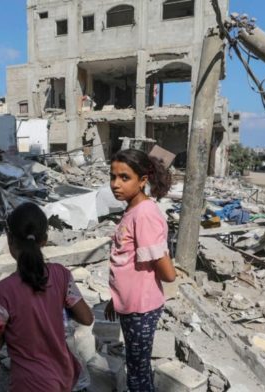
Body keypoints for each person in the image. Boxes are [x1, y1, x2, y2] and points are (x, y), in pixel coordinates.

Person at [0, 203, 94, 391]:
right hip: (63, 377)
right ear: (45, 240)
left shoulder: (2, 292)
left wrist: (7, 333)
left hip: (29, 384)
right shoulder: (61, 275)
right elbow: (87, 318)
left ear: (10, 240)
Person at [104, 149, 177, 392]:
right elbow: (127, 262)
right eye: (113, 176)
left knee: (137, 372)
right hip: (131, 304)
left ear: (143, 180)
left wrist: (164, 263)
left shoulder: (144, 214)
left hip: (141, 307)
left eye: (124, 177)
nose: (116, 184)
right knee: (137, 366)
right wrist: (115, 299)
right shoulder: (133, 209)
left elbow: (167, 273)